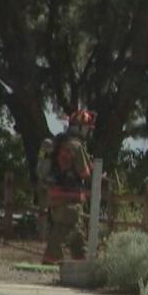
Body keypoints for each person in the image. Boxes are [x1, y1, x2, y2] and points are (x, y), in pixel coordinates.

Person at [41, 111, 95, 264]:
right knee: (63, 229)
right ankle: (49, 260)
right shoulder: (76, 146)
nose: (88, 131)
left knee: (77, 232)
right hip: (69, 197)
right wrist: (96, 172)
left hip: (55, 196)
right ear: (79, 128)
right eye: (86, 128)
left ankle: (81, 261)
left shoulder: (59, 142)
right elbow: (84, 173)